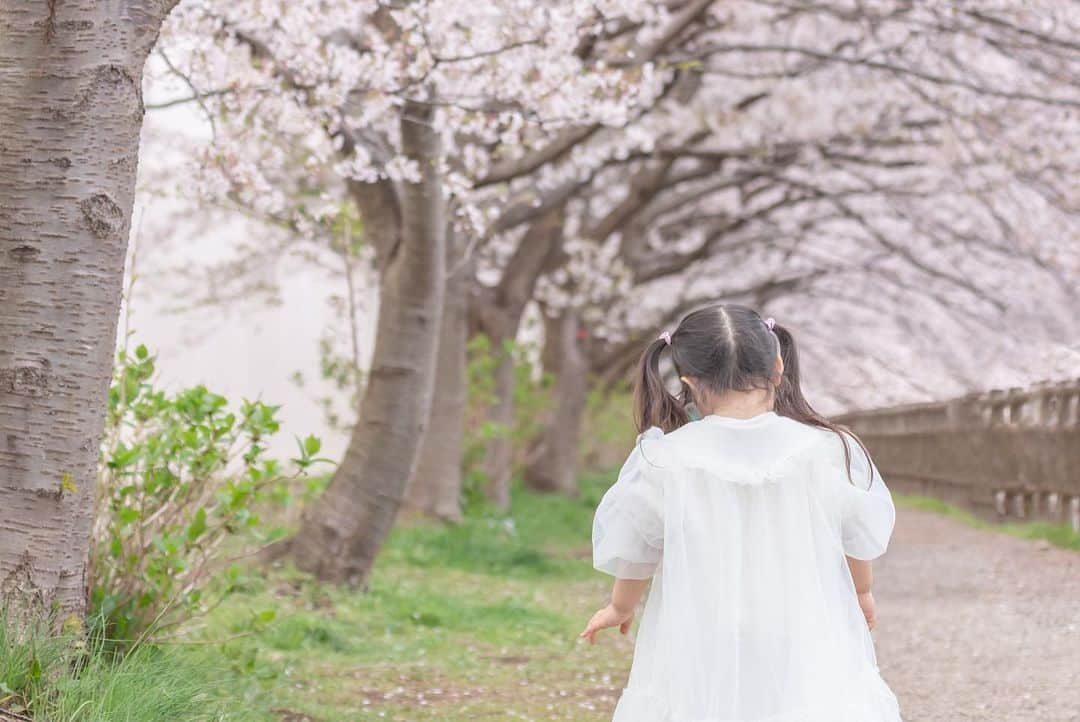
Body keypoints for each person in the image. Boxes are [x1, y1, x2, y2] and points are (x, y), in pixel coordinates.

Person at [579, 303, 901, 722]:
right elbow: (856, 533)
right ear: (778, 365)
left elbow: (639, 546)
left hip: (702, 624)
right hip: (800, 619)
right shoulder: (828, 448)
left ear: (688, 381)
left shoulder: (663, 457)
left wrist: (621, 607)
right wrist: (861, 591)